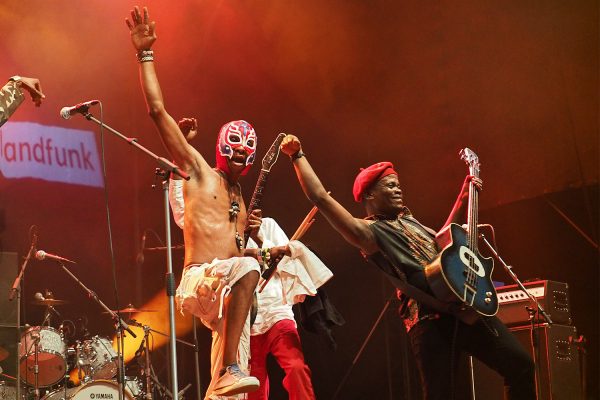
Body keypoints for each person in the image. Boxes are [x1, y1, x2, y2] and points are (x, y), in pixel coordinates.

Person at [279, 135, 536, 400]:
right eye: (390, 186)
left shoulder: (413, 223)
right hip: (430, 321)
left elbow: (445, 243)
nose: (398, 190)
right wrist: (297, 156)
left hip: (465, 305)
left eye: (398, 185)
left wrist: (462, 197)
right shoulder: (369, 233)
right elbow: (320, 198)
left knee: (521, 365)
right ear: (370, 194)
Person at [125, 7, 286, 397]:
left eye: (242, 161)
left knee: (232, 390)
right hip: (199, 281)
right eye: (232, 157)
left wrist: (264, 250)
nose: (237, 165)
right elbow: (157, 112)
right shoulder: (197, 171)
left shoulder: (240, 198)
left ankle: (224, 374)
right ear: (220, 151)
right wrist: (145, 55)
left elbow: (243, 261)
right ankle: (228, 367)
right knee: (243, 270)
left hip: (228, 296)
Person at [170, 119, 326, 400]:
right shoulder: (218, 219)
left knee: (296, 368)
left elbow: (279, 261)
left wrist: (262, 243)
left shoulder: (266, 225)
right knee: (250, 385)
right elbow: (185, 214)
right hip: (243, 316)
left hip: (275, 311)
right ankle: (229, 370)